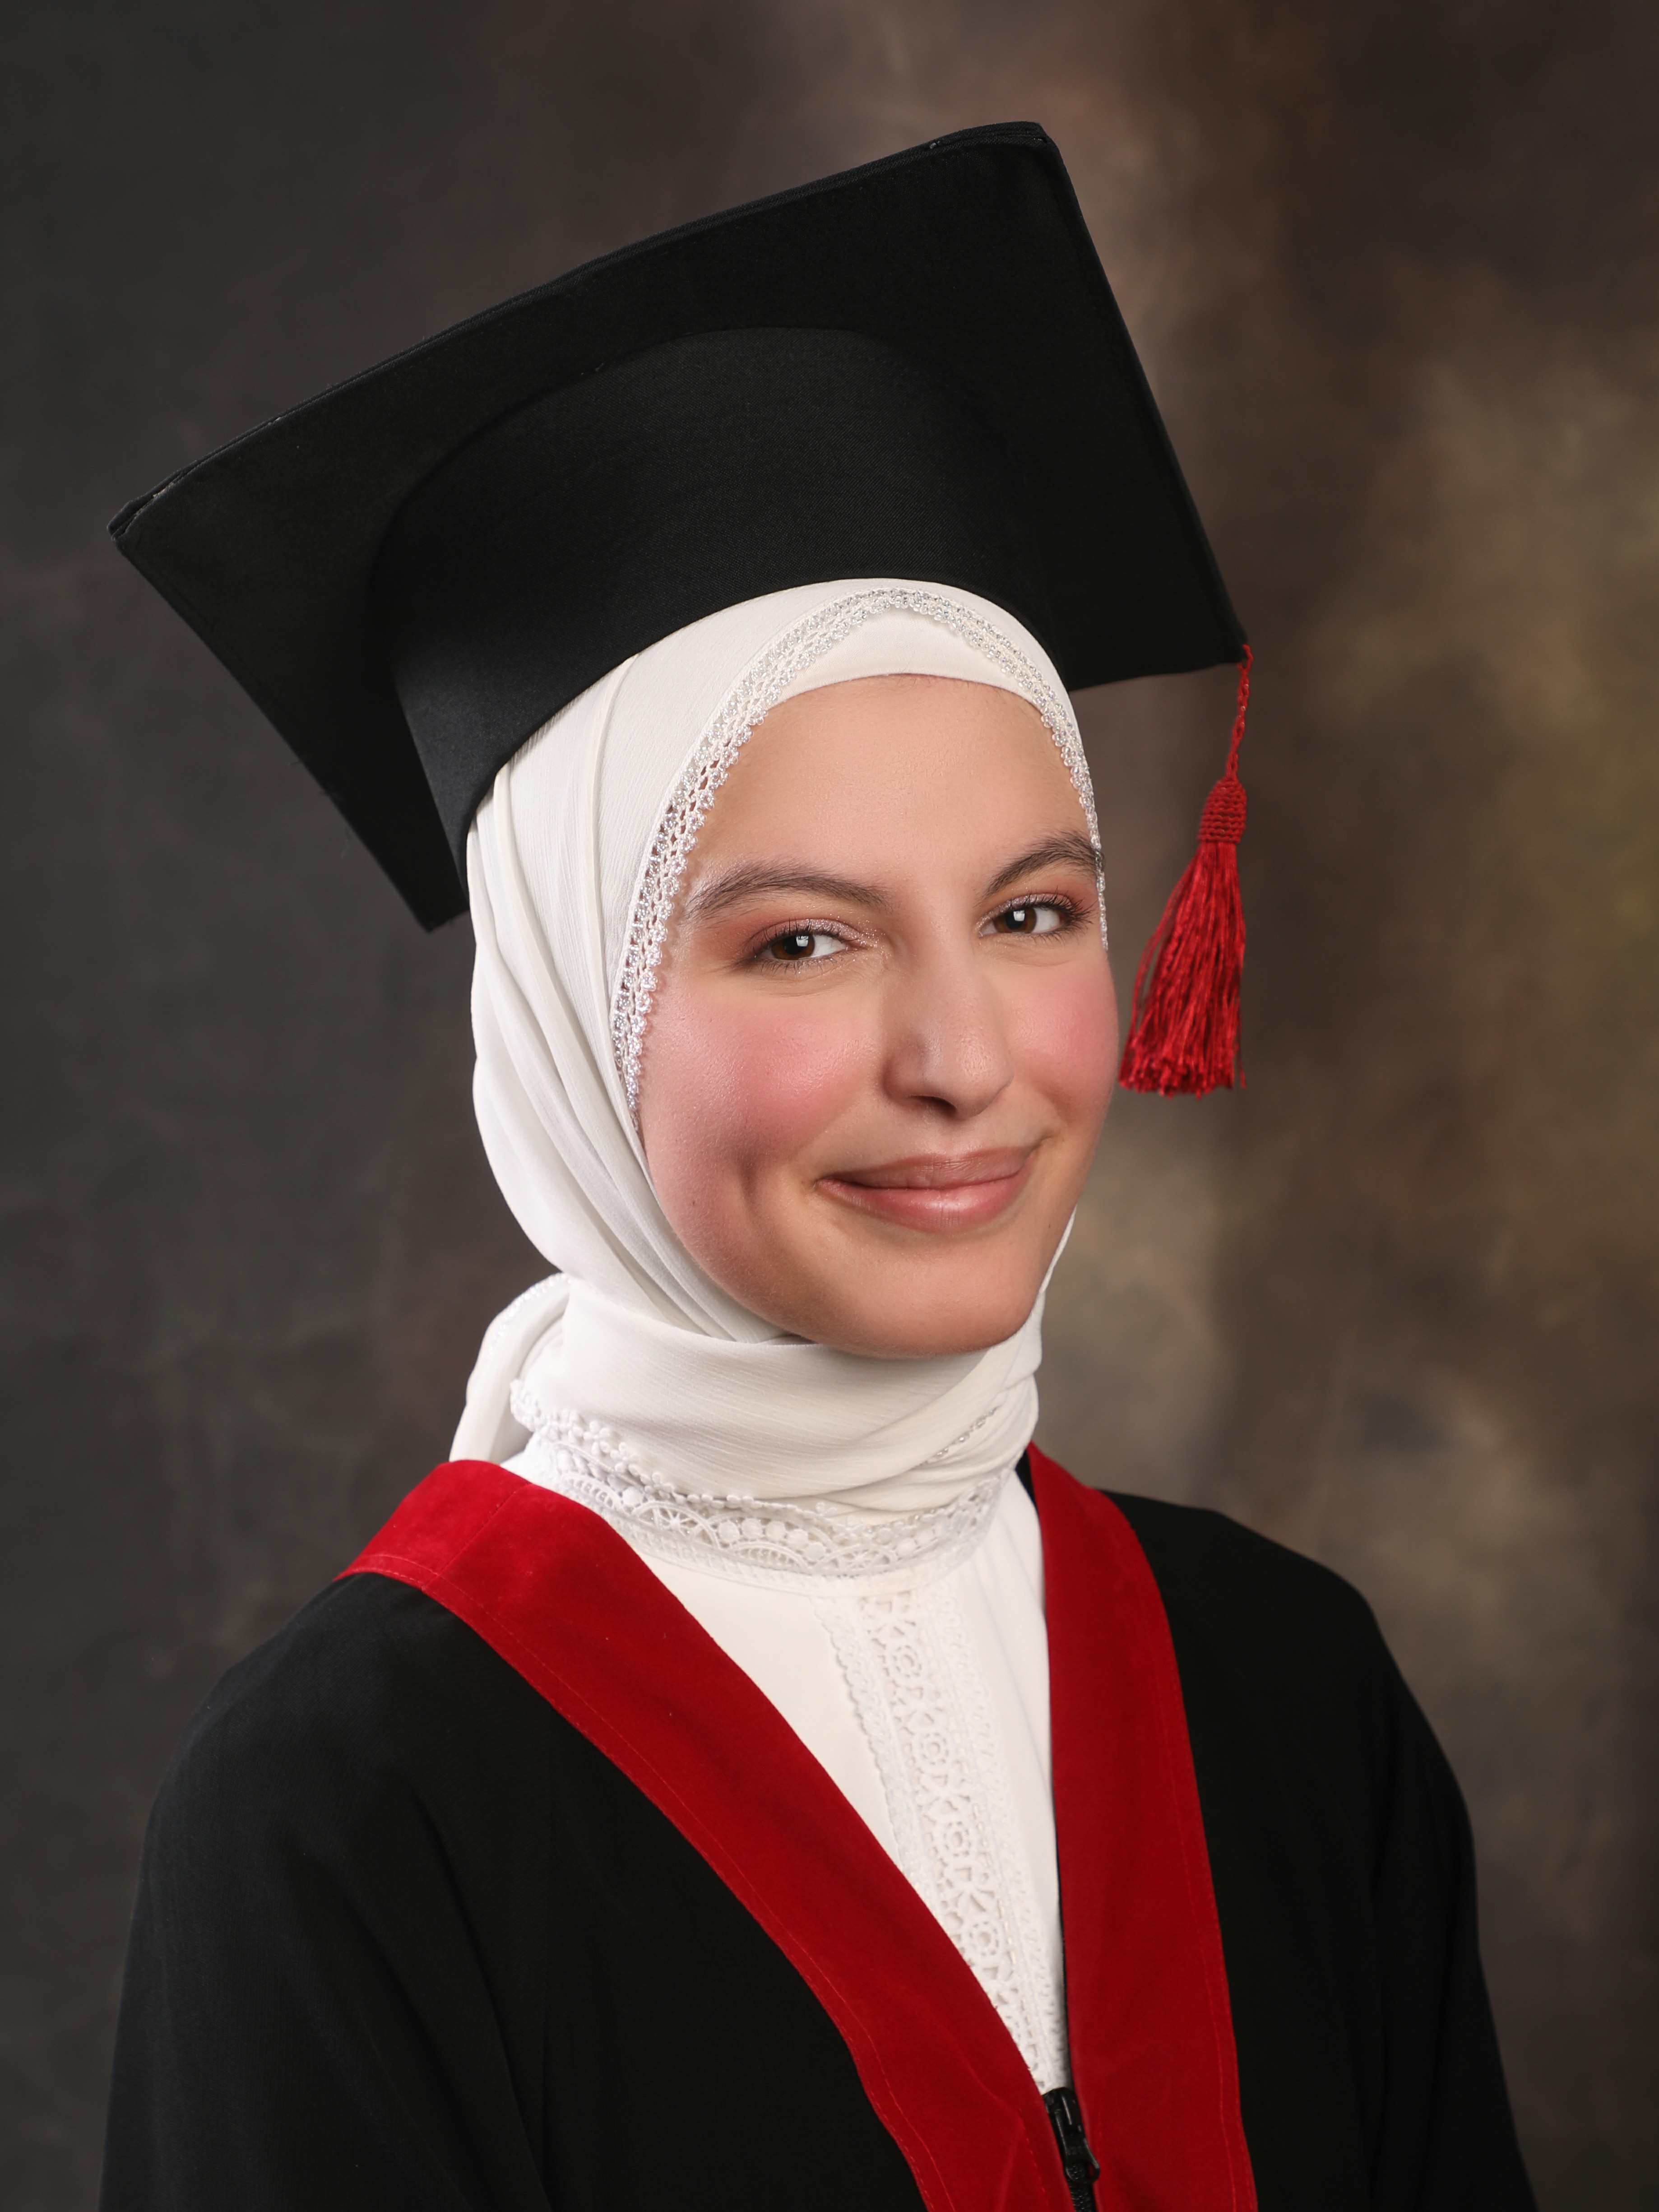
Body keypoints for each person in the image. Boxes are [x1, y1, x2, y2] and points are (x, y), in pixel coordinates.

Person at [98, 125, 1536, 2211]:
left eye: (1032, 912)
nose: (961, 1061)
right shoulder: (358, 1803)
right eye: (801, 941)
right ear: (573, 1017)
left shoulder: (1292, 1685)